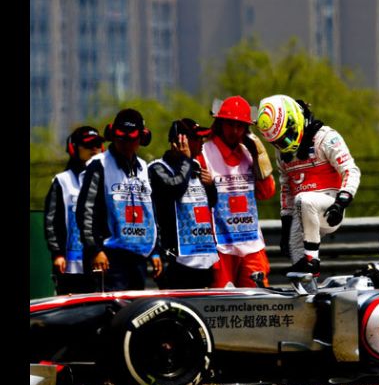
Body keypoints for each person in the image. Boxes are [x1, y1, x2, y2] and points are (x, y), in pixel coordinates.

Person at [255, 94, 361, 276]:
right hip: (301, 211)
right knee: (297, 262)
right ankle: (307, 287)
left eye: (286, 139)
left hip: (330, 207)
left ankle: (313, 260)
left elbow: (351, 170)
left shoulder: (326, 138)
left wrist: (341, 203)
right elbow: (286, 189)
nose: (284, 146)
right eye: (277, 142)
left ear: (294, 122)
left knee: (304, 199)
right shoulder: (282, 154)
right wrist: (285, 226)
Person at [76, 109, 163, 291]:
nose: (125, 143)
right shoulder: (99, 165)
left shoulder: (144, 168)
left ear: (142, 138)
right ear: (113, 136)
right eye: (120, 138)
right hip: (109, 256)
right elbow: (85, 211)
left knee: (136, 315)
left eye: (130, 139)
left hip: (139, 256)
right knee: (111, 315)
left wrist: (155, 251)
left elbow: (151, 214)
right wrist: (95, 250)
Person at [197, 96, 276, 288]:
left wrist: (260, 158)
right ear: (220, 123)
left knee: (258, 303)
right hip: (220, 248)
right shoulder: (204, 152)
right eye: (230, 124)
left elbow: (267, 193)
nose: (235, 131)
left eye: (240, 126)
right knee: (221, 306)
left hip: (252, 245)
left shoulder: (250, 153)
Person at [149, 119, 219, 289]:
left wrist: (211, 187)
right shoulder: (157, 168)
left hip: (204, 259)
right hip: (177, 262)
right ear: (179, 142)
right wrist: (185, 161)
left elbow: (210, 204)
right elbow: (176, 189)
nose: (201, 143)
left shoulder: (195, 165)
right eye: (196, 139)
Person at [43, 126, 105, 295]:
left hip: (100, 262)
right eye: (88, 145)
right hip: (71, 265)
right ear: (73, 148)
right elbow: (51, 222)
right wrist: (57, 254)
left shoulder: (108, 179)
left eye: (97, 144)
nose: (94, 149)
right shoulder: (62, 181)